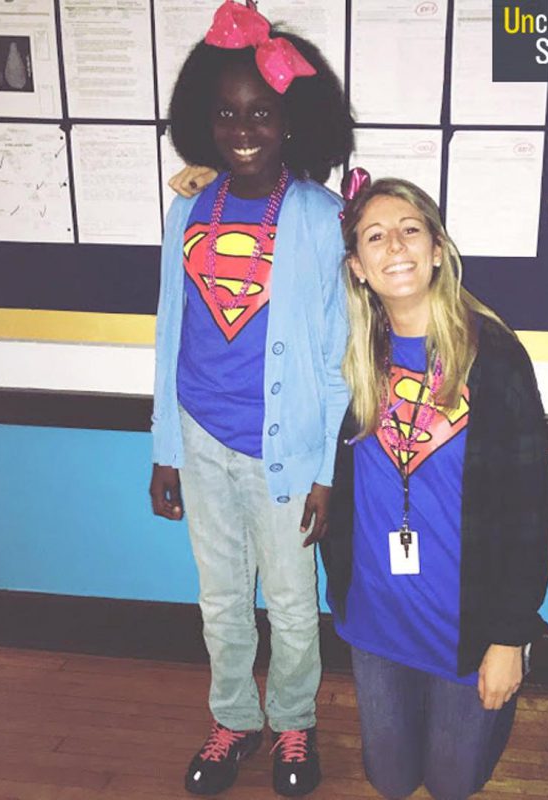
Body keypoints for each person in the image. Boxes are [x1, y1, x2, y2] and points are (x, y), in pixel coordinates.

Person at [149, 1, 353, 796]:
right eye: (227, 112)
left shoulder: (320, 218)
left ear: (292, 121)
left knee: (295, 606)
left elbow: (339, 360)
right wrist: (165, 447)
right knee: (221, 600)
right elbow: (171, 334)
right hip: (199, 443)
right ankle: (234, 718)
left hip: (286, 454)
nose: (242, 127)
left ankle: (294, 724)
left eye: (261, 112)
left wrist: (324, 468)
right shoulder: (186, 210)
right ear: (205, 119)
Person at [321, 172, 548, 800]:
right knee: (390, 781)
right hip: (375, 617)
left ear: (436, 250)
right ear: (358, 266)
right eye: (375, 236)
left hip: (468, 622)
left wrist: (510, 635)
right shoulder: (347, 352)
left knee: (454, 783)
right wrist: (215, 181)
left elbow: (531, 511)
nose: (394, 246)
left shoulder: (494, 356)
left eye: (409, 230)